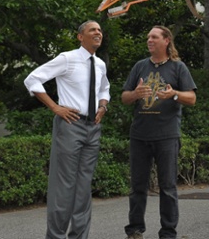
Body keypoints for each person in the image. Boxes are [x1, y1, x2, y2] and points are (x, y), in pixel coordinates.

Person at [24, 20, 110, 239]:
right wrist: (55, 107)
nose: (98, 32)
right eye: (93, 30)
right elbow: (32, 79)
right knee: (63, 188)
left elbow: (104, 88)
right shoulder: (67, 58)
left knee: (83, 189)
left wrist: (102, 106)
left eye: (100, 30)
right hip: (70, 126)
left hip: (93, 128)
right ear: (80, 36)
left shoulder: (99, 64)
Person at [122, 25, 196, 239]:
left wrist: (174, 94)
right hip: (140, 136)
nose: (149, 40)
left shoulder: (178, 67)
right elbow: (124, 98)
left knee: (168, 187)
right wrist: (135, 93)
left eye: (154, 37)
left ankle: (168, 232)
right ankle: (135, 230)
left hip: (167, 136)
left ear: (166, 41)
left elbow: (191, 98)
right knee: (137, 186)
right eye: (148, 37)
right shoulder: (139, 67)